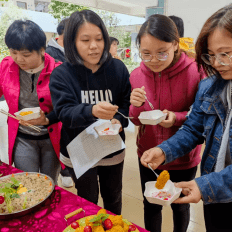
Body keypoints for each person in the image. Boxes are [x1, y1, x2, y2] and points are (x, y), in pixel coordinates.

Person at [141, 4, 232, 232]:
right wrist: (164, 150)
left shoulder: (191, 72)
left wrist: (205, 185)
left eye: (226, 53)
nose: (217, 63)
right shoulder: (210, 87)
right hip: (214, 194)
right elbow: (193, 129)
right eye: (211, 55)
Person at [49, 10, 131, 215]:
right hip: (79, 150)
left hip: (111, 148)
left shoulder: (118, 68)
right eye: (85, 40)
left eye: (99, 39)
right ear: (72, 42)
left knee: (113, 197)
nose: (94, 46)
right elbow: (64, 112)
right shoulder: (62, 74)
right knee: (87, 200)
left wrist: (120, 121)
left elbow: (125, 104)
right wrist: (92, 110)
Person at [129, 14, 205, 232]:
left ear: (175, 44)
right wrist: (135, 105)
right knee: (151, 204)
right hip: (149, 154)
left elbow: (200, 116)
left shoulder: (194, 71)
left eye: (162, 53)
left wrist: (177, 117)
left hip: (184, 156)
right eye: (146, 54)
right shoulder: (136, 75)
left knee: (180, 206)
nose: (153, 60)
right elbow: (135, 119)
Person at [0, 20, 64, 184]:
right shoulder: (6, 67)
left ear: (42, 50)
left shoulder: (59, 71)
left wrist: (48, 118)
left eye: (26, 54)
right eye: (13, 52)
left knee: (49, 183)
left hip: (51, 137)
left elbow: (66, 106)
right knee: (27, 183)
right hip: (22, 138)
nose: (18, 59)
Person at [46, 17, 74, 188]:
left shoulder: (74, 50)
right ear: (62, 34)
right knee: (59, 137)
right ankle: (65, 171)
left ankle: (68, 169)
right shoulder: (50, 52)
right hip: (55, 103)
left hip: (72, 103)